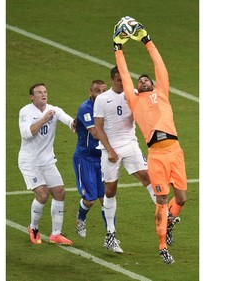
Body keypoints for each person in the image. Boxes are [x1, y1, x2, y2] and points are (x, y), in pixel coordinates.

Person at [113, 19, 188, 264]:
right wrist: (118, 47)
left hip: (175, 151)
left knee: (182, 199)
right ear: (136, 87)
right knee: (161, 201)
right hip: (156, 155)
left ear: (153, 83)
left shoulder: (162, 92)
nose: (143, 81)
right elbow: (124, 74)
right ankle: (162, 246)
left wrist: (146, 39)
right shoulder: (135, 101)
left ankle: (170, 224)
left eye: (146, 80)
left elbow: (159, 65)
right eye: (140, 81)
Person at [93, 66, 157, 254]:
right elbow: (98, 128)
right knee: (110, 190)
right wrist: (110, 150)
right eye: (120, 80)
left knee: (147, 177)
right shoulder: (102, 99)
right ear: (113, 80)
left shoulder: (135, 94)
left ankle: (166, 215)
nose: (123, 82)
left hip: (130, 144)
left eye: (125, 79)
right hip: (109, 149)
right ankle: (110, 234)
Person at [18, 82, 75, 246]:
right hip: (30, 162)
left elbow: (69, 121)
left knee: (59, 192)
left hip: (48, 161)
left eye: (45, 91)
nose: (43, 94)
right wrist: (44, 119)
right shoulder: (26, 112)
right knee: (43, 194)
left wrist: (75, 125)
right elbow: (27, 133)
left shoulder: (54, 110)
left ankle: (56, 234)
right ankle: (33, 228)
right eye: (38, 92)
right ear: (31, 97)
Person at [73, 80, 108, 238]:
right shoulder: (86, 108)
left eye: (103, 91)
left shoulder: (108, 106)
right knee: (90, 200)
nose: (101, 94)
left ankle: (111, 235)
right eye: (97, 91)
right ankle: (81, 218)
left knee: (106, 199)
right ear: (90, 92)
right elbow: (94, 133)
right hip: (85, 158)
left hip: (102, 159)